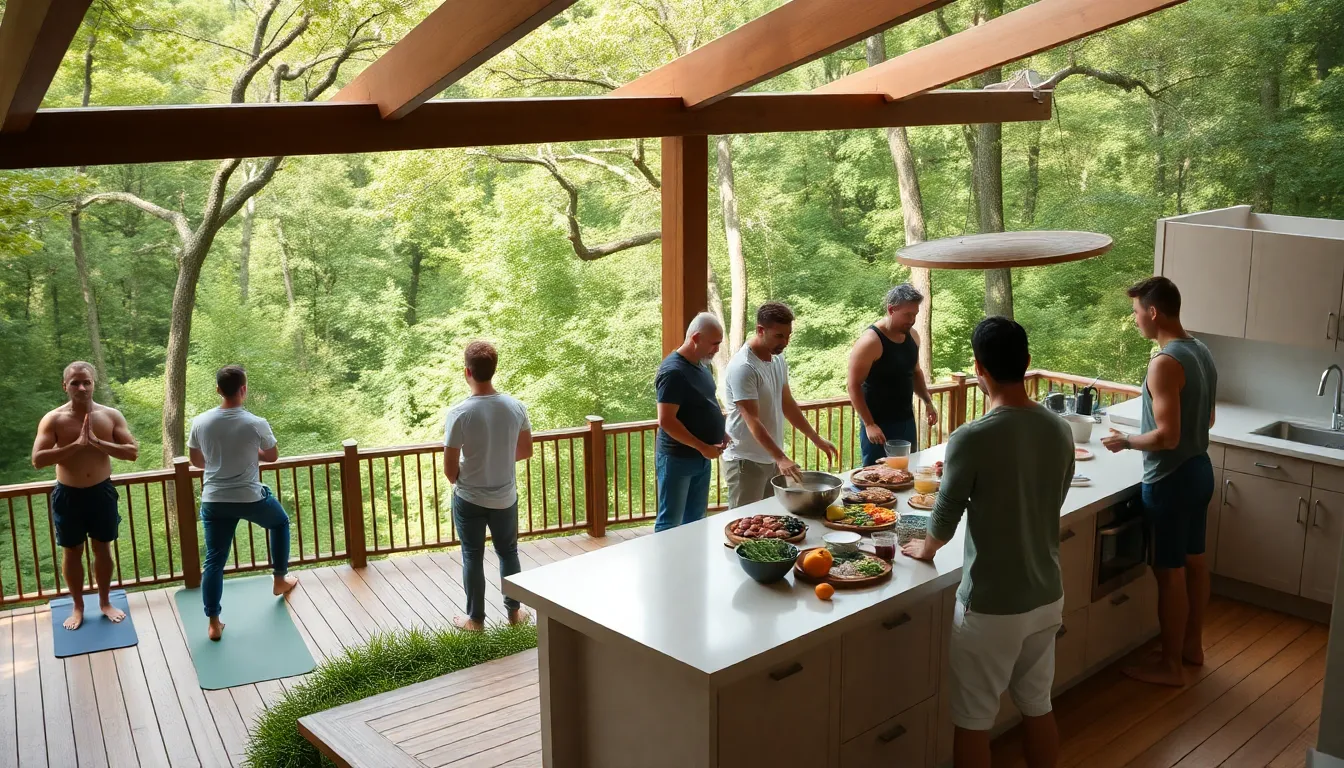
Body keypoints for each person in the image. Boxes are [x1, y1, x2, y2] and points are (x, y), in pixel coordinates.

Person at [903, 317, 1074, 768]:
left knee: (974, 719)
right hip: (1046, 594)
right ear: (1027, 362)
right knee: (1038, 704)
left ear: (979, 368)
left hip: (992, 604)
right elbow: (1049, 492)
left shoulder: (971, 437)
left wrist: (926, 547)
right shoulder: (1058, 429)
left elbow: (945, 511)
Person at [1102, 276, 1217, 687]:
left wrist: (1125, 441)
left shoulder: (1164, 362)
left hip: (1170, 479)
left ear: (1153, 312)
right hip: (1200, 470)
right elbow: (1207, 420)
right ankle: (1191, 647)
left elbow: (1166, 436)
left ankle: (1170, 666)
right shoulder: (1200, 350)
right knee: (1195, 563)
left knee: (1169, 572)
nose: (1134, 321)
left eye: (1136, 313)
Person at [188, 365, 297, 641]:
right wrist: (249, 453)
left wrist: (221, 459)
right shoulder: (255, 422)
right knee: (280, 522)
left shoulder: (200, 421)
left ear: (218, 390)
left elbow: (197, 461)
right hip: (248, 497)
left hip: (214, 499)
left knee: (214, 560)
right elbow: (271, 456)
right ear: (244, 389)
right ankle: (280, 579)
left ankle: (213, 622)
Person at [31, 361, 139, 630]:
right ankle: (77, 606)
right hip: (68, 495)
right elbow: (38, 459)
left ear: (94, 383)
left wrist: (98, 442)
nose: (81, 387)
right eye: (75, 382)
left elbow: (132, 452)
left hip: (101, 493)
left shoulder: (110, 415)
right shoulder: (54, 419)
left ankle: (104, 602)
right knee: (72, 551)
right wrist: (76, 445)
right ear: (65, 386)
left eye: (86, 382)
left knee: (103, 549)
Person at [443, 341, 533, 631]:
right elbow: (526, 451)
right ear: (494, 369)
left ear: (467, 371)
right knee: (508, 553)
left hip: (469, 497)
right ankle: (514, 614)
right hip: (505, 496)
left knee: (472, 555)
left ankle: (476, 620)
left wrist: (465, 477)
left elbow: (449, 469)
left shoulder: (460, 413)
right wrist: (500, 459)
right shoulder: (515, 407)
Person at [723, 302, 839, 508]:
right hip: (746, 460)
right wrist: (781, 458)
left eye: (788, 335)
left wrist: (815, 438)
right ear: (760, 330)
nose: (785, 342)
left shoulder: (778, 360)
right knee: (743, 524)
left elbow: (787, 404)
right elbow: (752, 421)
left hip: (772, 457)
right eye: (779, 336)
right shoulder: (744, 367)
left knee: (772, 519)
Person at [847, 283, 939, 467]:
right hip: (878, 425)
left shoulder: (913, 336)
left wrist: (928, 402)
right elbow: (853, 385)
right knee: (876, 478)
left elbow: (915, 372)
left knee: (906, 471)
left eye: (915, 314)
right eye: (907, 314)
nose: (912, 319)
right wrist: (869, 424)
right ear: (891, 309)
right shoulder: (871, 341)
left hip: (906, 421)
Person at [654, 313, 730, 532]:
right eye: (714, 344)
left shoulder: (701, 367)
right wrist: (703, 446)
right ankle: (666, 566)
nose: (716, 350)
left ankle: (692, 565)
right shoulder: (673, 372)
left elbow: (707, 403)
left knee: (696, 521)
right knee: (671, 523)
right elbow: (666, 420)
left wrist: (721, 433)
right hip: (677, 459)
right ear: (696, 338)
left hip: (701, 458)